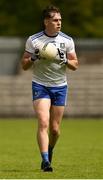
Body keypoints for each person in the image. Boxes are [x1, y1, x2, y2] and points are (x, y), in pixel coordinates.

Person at [21, 5, 78, 172]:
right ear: (46, 22)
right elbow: (24, 65)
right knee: (43, 122)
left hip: (60, 87)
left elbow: (75, 65)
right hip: (40, 85)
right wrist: (33, 57)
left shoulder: (67, 40)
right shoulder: (34, 40)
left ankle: (50, 150)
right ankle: (45, 161)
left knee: (55, 129)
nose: (59, 23)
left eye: (60, 20)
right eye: (55, 20)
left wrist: (65, 61)